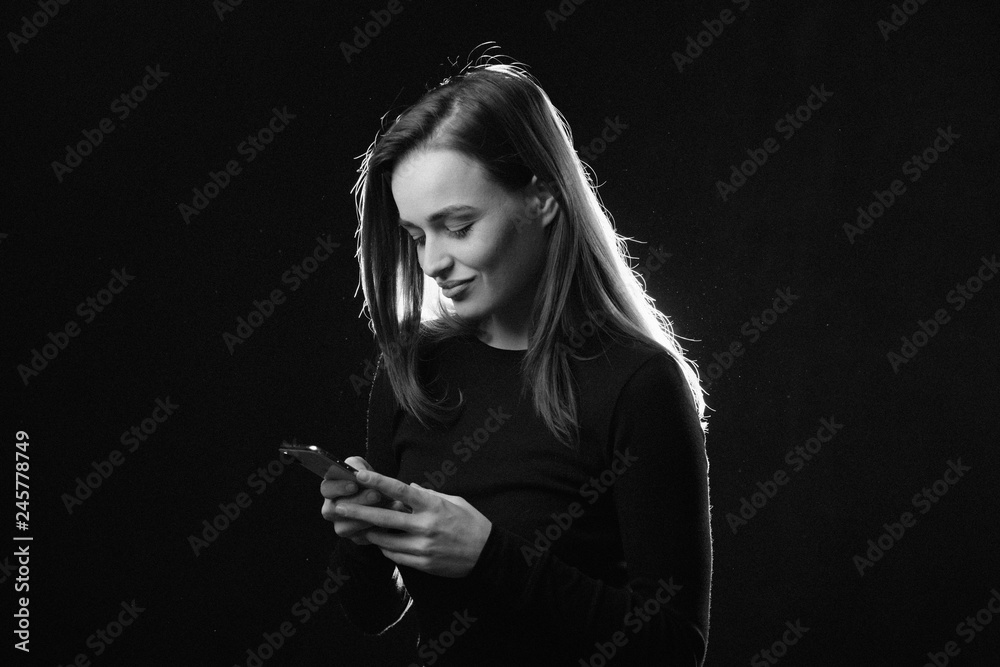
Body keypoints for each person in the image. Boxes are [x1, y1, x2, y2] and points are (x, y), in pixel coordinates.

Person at [321, 55, 712, 666]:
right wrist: (363, 537)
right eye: (417, 236)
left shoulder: (637, 384)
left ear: (542, 199)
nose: (431, 263)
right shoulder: (412, 372)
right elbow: (373, 614)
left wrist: (487, 558)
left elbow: (674, 648)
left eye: (458, 226)